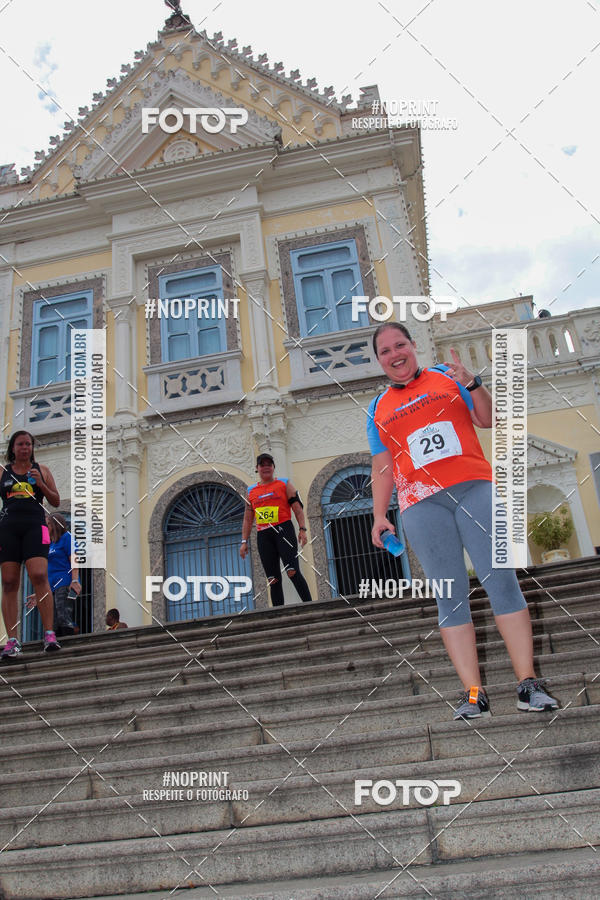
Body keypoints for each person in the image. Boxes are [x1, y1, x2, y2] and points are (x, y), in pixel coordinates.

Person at [368, 322, 558, 719]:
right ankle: (474, 694)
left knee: (501, 580)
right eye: (385, 351)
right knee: (449, 596)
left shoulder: (447, 376)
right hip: (421, 505)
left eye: (400, 345)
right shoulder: (377, 408)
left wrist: (473, 384)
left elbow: (487, 419)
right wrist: (379, 515)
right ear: (379, 360)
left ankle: (528, 684)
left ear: (412, 345)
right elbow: (383, 466)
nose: (395, 354)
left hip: (474, 489)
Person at [0, 431, 61, 660]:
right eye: (20, 444)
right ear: (13, 448)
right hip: (8, 529)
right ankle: (12, 640)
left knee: (39, 575)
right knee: (9, 581)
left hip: (35, 527)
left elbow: (55, 500)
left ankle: (49, 634)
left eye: (28, 444)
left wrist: (41, 484)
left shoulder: (41, 470)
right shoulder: (3, 472)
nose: (25, 447)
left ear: (32, 448)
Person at [240, 453, 313, 607]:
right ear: (257, 468)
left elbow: (297, 508)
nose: (266, 467)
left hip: (283, 530)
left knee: (292, 571)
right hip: (264, 535)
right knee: (273, 579)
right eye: (262, 465)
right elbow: (247, 519)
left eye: (269, 464)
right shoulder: (251, 491)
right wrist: (244, 541)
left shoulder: (284, 484)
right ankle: (279, 613)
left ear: (273, 467)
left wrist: (302, 529)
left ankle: (311, 606)